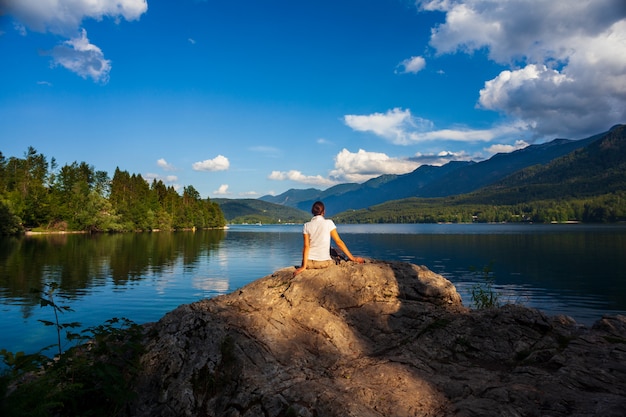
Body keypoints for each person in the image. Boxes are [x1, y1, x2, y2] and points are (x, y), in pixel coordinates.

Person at [294, 201, 364, 276]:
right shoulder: (329, 223)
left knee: (331, 250)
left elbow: (306, 246)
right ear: (323, 212)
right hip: (323, 263)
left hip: (309, 263)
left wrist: (303, 267)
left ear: (312, 212)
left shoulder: (306, 225)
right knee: (338, 255)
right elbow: (338, 242)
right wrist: (353, 258)